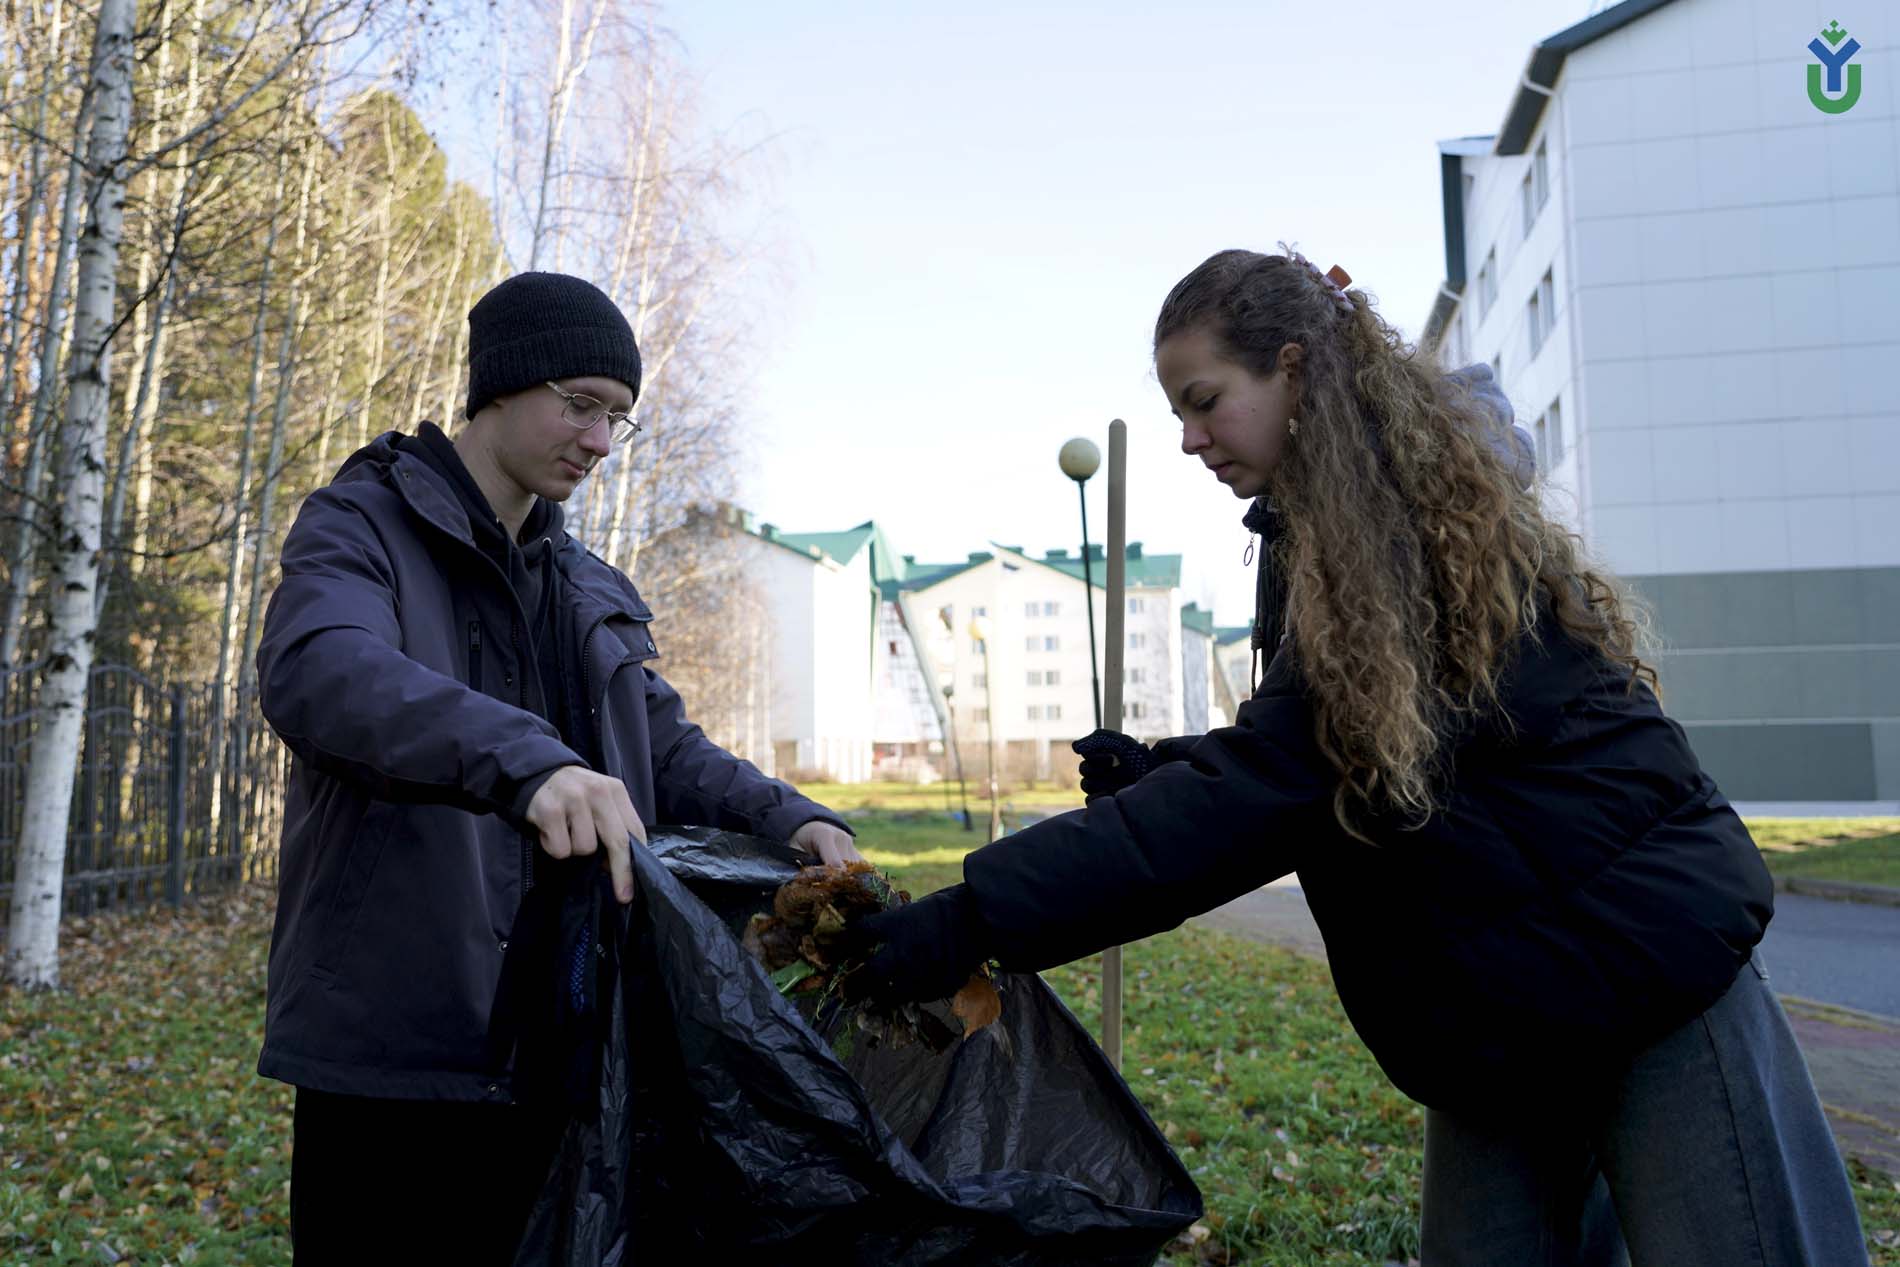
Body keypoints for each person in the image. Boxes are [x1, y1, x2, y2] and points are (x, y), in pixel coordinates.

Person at [853, 249, 1869, 1265]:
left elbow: (1283, 778)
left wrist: (974, 915)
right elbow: (1360, 748)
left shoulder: (1402, 528)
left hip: (1646, 968)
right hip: (1506, 1000)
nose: (1187, 439)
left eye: (1205, 402)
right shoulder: (1329, 529)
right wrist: (1172, 771)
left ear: (1292, 371)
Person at [254, 271, 860, 1263]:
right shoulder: (360, 523)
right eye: (579, 404)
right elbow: (321, 671)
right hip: (394, 1050)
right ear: (498, 385)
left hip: (567, 1047)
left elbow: (664, 745)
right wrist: (529, 763)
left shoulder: (583, 585)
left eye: (616, 417)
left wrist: (787, 815)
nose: (598, 441)